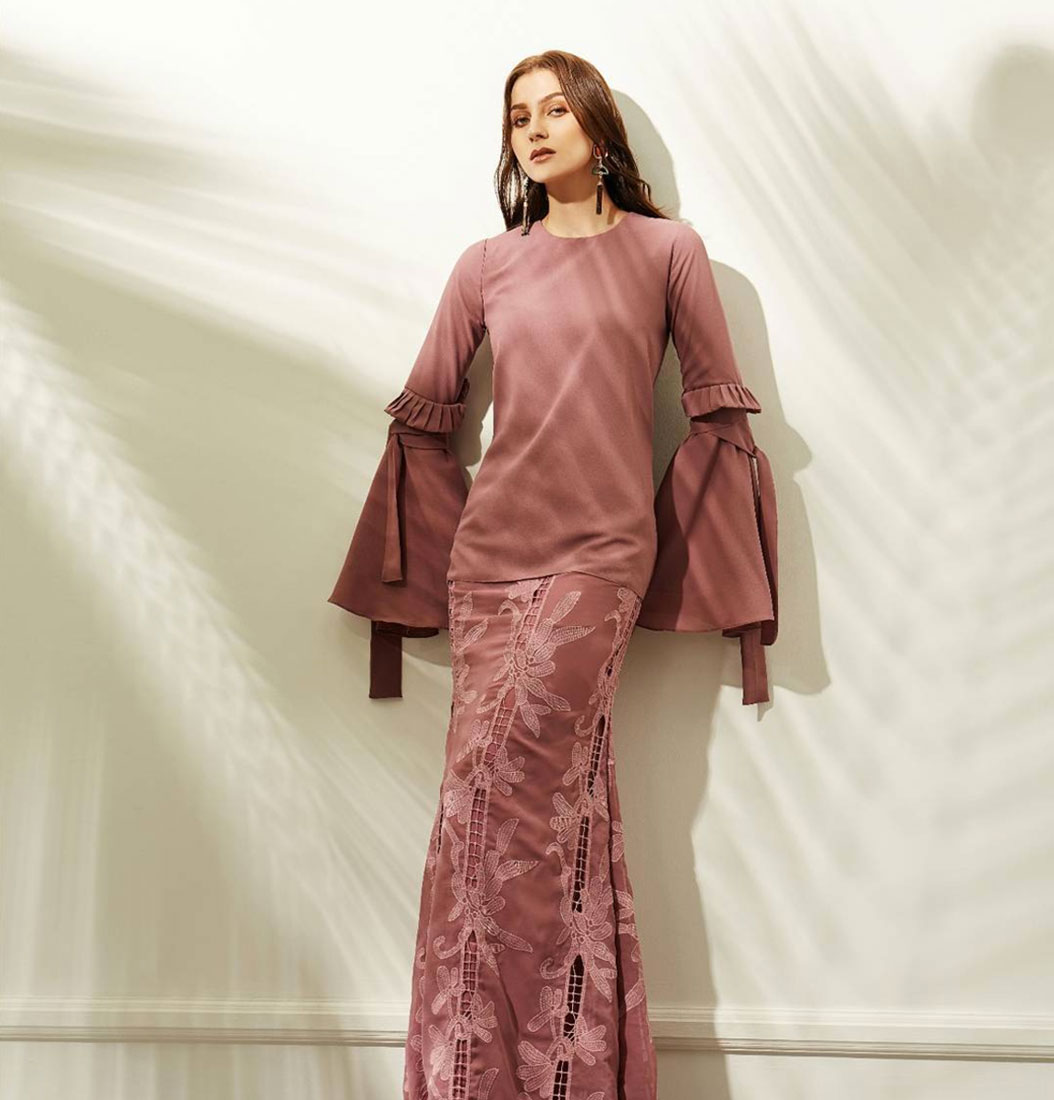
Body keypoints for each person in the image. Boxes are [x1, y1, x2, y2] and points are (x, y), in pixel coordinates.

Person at [327, 48, 778, 1100]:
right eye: (517, 116)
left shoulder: (669, 251)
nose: (533, 130)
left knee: (511, 799)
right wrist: (404, 581)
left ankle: (511, 1072)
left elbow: (715, 415)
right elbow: (425, 415)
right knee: (507, 810)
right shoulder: (487, 265)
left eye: (554, 110)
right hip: (489, 564)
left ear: (596, 126)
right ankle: (539, 1072)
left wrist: (722, 582)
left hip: (601, 560)